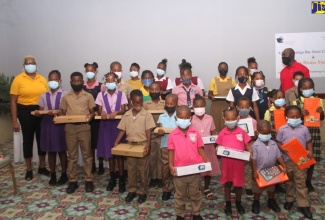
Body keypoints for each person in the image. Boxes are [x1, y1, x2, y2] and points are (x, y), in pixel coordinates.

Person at [10, 55, 50, 181]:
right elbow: (12, 101)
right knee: (28, 140)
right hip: (24, 111)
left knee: (41, 139)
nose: (30, 65)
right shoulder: (18, 79)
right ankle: (29, 169)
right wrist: (14, 120)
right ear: (24, 65)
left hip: (40, 110)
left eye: (32, 62)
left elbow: (47, 97)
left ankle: (42, 166)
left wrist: (43, 111)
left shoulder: (42, 79)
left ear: (36, 64)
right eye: (28, 63)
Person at [114, 90, 156, 203]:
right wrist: (116, 142)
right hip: (130, 146)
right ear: (131, 102)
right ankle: (132, 190)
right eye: (135, 103)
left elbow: (148, 131)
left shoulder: (146, 114)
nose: (138, 105)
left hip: (142, 145)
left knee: (143, 171)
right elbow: (122, 129)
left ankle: (142, 191)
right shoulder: (126, 115)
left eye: (140, 102)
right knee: (131, 170)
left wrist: (148, 144)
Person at [168, 105, 209, 220]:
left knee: (195, 193)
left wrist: (207, 161)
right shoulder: (172, 135)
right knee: (180, 195)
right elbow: (171, 151)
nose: (184, 120)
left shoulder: (195, 133)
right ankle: (180, 214)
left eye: (186, 117)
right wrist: (171, 165)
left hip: (194, 171)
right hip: (179, 171)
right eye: (181, 117)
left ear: (190, 119)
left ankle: (196, 213)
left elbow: (200, 148)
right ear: (176, 118)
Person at [60, 72, 96, 194]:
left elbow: (93, 112)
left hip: (84, 128)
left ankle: (89, 180)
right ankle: (72, 181)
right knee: (72, 156)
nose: (76, 83)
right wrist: (57, 116)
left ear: (82, 82)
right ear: (71, 82)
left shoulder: (88, 96)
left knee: (87, 156)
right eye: (74, 81)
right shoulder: (66, 97)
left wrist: (91, 116)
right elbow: (62, 113)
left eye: (79, 81)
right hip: (70, 128)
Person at [276, 105, 313, 219]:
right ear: (286, 116)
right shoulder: (282, 129)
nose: (295, 118)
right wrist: (281, 148)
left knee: (301, 182)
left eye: (297, 116)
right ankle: (289, 199)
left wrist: (310, 151)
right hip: (287, 160)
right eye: (292, 116)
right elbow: (278, 142)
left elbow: (309, 141)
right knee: (288, 181)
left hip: (301, 160)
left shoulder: (304, 129)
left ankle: (303, 205)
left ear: (301, 116)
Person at [216, 107, 252, 215]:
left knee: (238, 185)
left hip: (239, 165)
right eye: (228, 119)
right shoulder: (222, 133)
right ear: (224, 119)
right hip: (227, 164)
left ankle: (238, 203)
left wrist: (250, 152)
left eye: (233, 119)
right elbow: (218, 145)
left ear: (238, 118)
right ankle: (228, 204)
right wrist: (217, 148)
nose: (230, 121)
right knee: (227, 184)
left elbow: (247, 145)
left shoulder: (242, 132)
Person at [96, 72, 128, 193]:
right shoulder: (100, 95)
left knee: (119, 153)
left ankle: (121, 179)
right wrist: (102, 113)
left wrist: (116, 112)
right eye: (108, 81)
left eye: (112, 81)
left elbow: (124, 109)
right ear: (105, 83)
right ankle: (112, 178)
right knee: (110, 154)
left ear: (117, 81)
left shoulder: (121, 94)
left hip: (118, 125)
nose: (110, 83)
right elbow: (99, 111)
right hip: (105, 126)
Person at [36, 70, 68, 186]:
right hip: (47, 124)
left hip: (60, 125)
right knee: (51, 151)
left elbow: (67, 111)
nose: (53, 82)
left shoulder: (65, 94)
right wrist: (39, 113)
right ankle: (53, 174)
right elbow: (41, 110)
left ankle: (64, 174)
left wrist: (58, 113)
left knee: (62, 150)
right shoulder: (43, 95)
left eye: (55, 79)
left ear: (60, 81)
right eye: (50, 79)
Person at [292, 78, 324, 193]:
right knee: (300, 157)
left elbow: (321, 118)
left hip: (314, 132)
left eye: (310, 87)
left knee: (312, 158)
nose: (307, 90)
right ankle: (299, 178)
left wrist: (321, 112)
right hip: (300, 133)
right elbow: (293, 118)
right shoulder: (296, 102)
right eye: (304, 88)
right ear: (300, 89)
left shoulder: (318, 101)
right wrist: (301, 115)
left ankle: (308, 180)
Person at [251, 120, 286, 214]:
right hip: (259, 171)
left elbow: (279, 156)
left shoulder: (274, 144)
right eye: (263, 133)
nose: (266, 135)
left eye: (268, 133)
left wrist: (284, 165)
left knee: (271, 188)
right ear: (257, 132)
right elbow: (253, 159)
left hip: (271, 170)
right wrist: (254, 172)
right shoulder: (255, 145)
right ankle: (256, 202)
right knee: (257, 189)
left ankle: (271, 201)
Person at [191, 94, 220, 200]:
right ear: (193, 107)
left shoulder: (210, 118)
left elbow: (213, 131)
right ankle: (197, 188)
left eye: (201, 106)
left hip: (208, 147)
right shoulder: (190, 120)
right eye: (196, 106)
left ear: (205, 106)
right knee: (197, 169)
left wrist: (216, 137)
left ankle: (207, 188)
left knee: (208, 168)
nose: (199, 109)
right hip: (195, 148)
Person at [82, 62, 104, 175]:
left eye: (92, 70)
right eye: (87, 70)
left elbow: (104, 101)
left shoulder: (100, 86)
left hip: (98, 118)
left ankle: (100, 165)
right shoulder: (81, 86)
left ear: (95, 72)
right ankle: (92, 165)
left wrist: (97, 112)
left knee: (98, 141)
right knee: (89, 143)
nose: (89, 72)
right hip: (85, 118)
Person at [156, 94, 178, 201]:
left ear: (176, 104)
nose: (169, 106)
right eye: (167, 104)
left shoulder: (180, 115)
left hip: (178, 147)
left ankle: (178, 189)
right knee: (165, 169)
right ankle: (167, 189)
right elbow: (160, 129)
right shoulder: (161, 116)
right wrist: (160, 131)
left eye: (171, 104)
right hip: (165, 146)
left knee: (177, 168)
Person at [143, 82, 165, 188]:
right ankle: (153, 178)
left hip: (163, 134)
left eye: (157, 89)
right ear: (149, 91)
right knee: (151, 157)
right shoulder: (145, 104)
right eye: (152, 89)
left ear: (160, 91)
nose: (154, 91)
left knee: (161, 157)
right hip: (150, 134)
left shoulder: (165, 103)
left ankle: (160, 178)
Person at [235, 97, 257, 198]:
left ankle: (248, 187)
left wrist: (250, 135)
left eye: (247, 107)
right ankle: (236, 185)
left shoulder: (252, 121)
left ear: (250, 108)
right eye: (242, 107)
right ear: (237, 107)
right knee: (237, 168)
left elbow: (256, 135)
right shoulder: (234, 120)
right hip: (236, 148)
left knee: (247, 168)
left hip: (248, 147)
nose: (244, 109)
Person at [208, 62, 236, 132]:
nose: (223, 69)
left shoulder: (231, 80)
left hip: (228, 104)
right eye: (221, 68)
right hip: (216, 105)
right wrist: (212, 97)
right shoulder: (214, 80)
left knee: (227, 123)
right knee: (216, 123)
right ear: (218, 69)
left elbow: (235, 93)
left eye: (225, 68)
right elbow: (209, 94)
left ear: (227, 69)